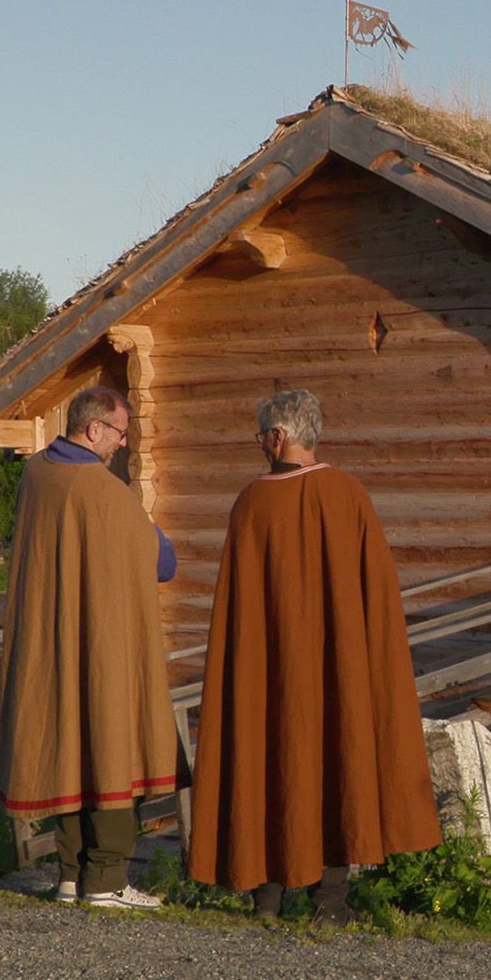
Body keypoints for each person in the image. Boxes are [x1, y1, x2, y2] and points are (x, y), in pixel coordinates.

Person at [188, 388, 441, 919]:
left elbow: (239, 613)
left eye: (261, 437)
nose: (259, 447)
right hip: (335, 669)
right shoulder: (348, 495)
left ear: (279, 437)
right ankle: (330, 902)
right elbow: (377, 595)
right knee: (335, 754)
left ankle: (268, 897)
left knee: (266, 755)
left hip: (268, 674)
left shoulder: (253, 504)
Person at [0, 385, 179, 909]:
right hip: (100, 644)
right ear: (94, 428)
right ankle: (107, 879)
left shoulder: (35, 474)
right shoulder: (102, 491)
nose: (122, 444)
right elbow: (161, 563)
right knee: (110, 746)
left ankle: (71, 875)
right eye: (120, 433)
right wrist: (150, 529)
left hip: (49, 643)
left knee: (67, 748)